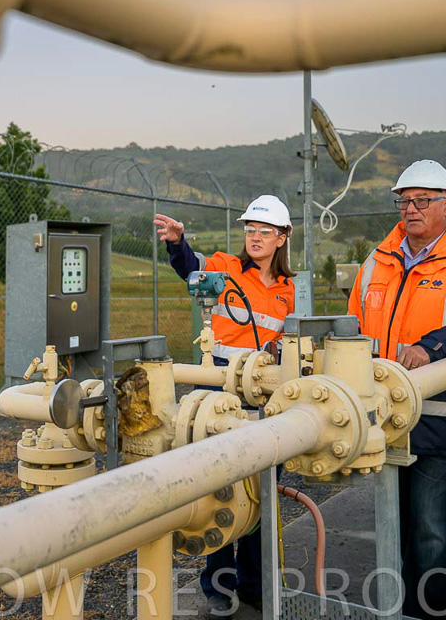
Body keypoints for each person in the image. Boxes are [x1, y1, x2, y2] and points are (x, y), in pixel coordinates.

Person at [346, 160, 446, 620]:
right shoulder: (376, 262)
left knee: (432, 535)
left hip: (440, 424)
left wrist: (429, 348)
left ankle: (431, 614)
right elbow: (353, 327)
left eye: (421, 201)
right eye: (403, 201)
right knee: (391, 529)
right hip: (387, 422)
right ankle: (397, 610)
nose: (410, 209)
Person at [154, 194, 295, 617]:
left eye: (265, 231)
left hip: (263, 398)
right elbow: (191, 267)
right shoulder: (226, 267)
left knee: (259, 495)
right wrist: (177, 243)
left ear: (282, 238)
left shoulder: (287, 289)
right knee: (220, 492)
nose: (255, 237)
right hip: (220, 395)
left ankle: (255, 585)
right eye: (250, 230)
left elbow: (284, 342)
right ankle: (219, 585)